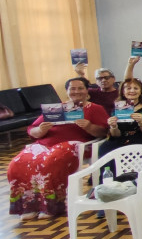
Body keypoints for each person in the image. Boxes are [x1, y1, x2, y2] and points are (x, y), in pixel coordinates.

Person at [9, 78, 108, 219]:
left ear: (87, 91)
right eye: (72, 88)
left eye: (80, 88)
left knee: (51, 162)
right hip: (45, 143)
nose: (76, 92)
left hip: (74, 144)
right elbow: (32, 130)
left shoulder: (95, 108)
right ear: (67, 91)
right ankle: (29, 206)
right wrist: (41, 130)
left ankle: (50, 206)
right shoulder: (55, 108)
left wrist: (89, 126)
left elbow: (104, 132)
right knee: (18, 163)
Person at [98, 78, 142, 172]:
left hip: (141, 138)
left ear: (141, 92)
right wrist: (113, 126)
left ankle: (132, 180)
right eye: (128, 88)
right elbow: (115, 135)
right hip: (120, 138)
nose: (132, 91)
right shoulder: (117, 109)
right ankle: (108, 180)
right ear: (123, 92)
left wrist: (141, 122)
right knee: (105, 147)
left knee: (131, 147)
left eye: (136, 88)